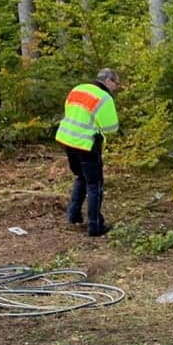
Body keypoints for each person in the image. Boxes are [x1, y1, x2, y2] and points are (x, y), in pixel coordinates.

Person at [55, 68, 121, 237]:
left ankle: (73, 215)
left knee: (81, 178)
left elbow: (70, 111)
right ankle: (95, 226)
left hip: (67, 141)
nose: (117, 87)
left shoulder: (78, 89)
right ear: (108, 80)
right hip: (86, 145)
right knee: (94, 185)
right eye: (116, 83)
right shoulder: (104, 98)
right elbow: (111, 128)